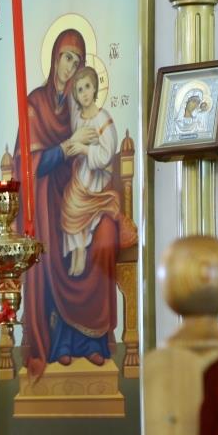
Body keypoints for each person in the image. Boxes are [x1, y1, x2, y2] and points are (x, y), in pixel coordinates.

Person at [13, 28, 119, 372]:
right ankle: (59, 342)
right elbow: (24, 164)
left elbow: (103, 151)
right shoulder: (35, 104)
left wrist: (82, 151)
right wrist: (66, 148)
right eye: (67, 58)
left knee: (105, 236)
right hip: (47, 201)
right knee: (51, 244)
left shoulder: (80, 108)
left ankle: (94, 341)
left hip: (80, 191)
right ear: (55, 57)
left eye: (77, 61)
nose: (70, 67)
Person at [61, 66, 121, 278]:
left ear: (95, 88)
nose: (85, 93)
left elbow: (107, 154)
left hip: (97, 176)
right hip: (81, 173)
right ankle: (77, 250)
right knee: (68, 205)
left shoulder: (103, 118)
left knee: (75, 204)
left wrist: (85, 149)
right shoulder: (78, 118)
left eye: (87, 87)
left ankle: (82, 249)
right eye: (79, 90)